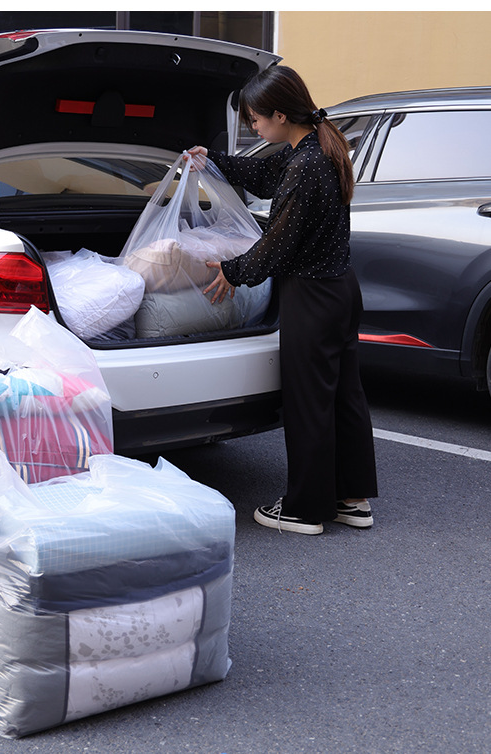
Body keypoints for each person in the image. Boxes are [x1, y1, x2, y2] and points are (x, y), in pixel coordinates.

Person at [185, 65, 377, 535]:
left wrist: (233, 271)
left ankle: (303, 509)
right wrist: (215, 161)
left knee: (309, 403)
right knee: (343, 398)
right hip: (339, 289)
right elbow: (263, 173)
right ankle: (352, 499)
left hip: (312, 296)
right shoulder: (316, 149)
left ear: (280, 114)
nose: (254, 128)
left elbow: (279, 243)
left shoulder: (307, 165)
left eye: (255, 119)